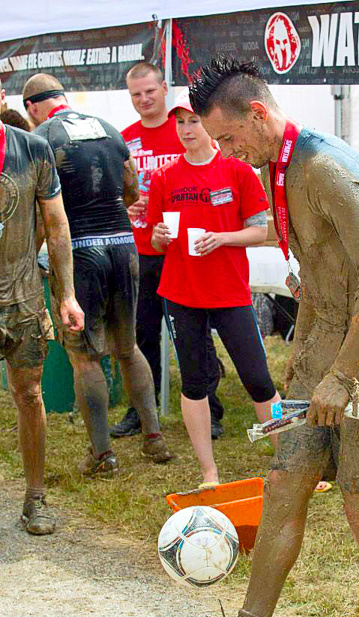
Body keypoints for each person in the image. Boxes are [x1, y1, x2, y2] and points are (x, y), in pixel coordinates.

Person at [158, 57, 359, 617]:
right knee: (283, 485)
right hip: (323, 354)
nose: (226, 152)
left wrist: (342, 374)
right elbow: (317, 253)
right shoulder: (274, 169)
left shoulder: (327, 168)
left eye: (227, 138)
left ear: (257, 114)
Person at [22, 73, 173, 477]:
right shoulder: (107, 128)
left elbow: (45, 210)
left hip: (80, 252)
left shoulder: (43, 138)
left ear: (32, 108)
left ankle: (103, 455)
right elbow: (131, 191)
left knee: (84, 358)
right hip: (124, 246)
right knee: (128, 348)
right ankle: (154, 438)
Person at [147, 89, 280, 487]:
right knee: (194, 382)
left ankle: (290, 462)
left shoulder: (236, 170)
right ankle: (208, 472)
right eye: (180, 122)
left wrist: (222, 238)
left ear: (208, 123)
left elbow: (262, 230)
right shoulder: (165, 177)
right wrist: (158, 235)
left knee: (258, 379)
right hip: (182, 292)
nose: (186, 129)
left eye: (193, 121)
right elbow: (157, 241)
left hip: (229, 291)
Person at [113, 62, 225, 440]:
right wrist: (125, 204)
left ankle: (211, 409)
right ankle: (141, 413)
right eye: (136, 94)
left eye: (150, 91)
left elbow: (215, 172)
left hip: (186, 254)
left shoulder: (188, 127)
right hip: (142, 251)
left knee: (194, 335)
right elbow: (119, 191)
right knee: (141, 335)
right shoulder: (124, 139)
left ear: (164, 88)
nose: (144, 100)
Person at [0, 101, 84, 534]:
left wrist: (67, 295)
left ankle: (35, 498)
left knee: (30, 393)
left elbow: (57, 225)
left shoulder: (32, 149)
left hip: (23, 300)